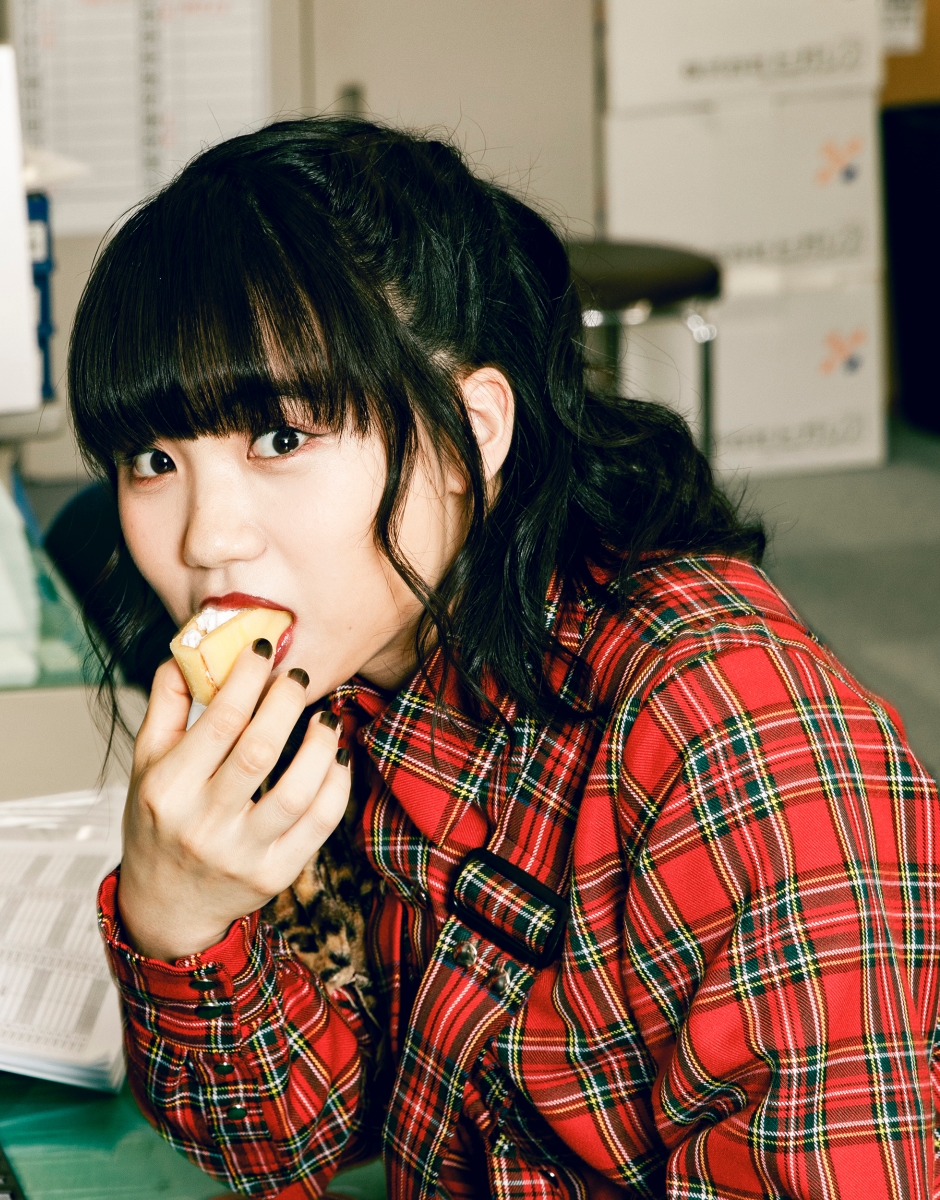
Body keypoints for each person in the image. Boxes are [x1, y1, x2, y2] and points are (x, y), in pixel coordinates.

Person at [67, 118, 940, 1199]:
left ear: (471, 431)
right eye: (154, 459)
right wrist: (178, 917)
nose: (206, 538)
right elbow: (286, 1139)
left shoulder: (733, 741)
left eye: (282, 439)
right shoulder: (338, 679)